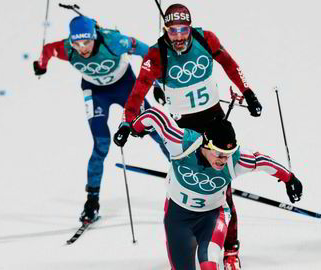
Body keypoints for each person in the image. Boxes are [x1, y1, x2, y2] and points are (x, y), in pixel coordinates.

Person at [116, 4, 263, 268]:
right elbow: (138, 91)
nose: (179, 36)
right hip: (185, 130)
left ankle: (230, 251)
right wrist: (128, 122)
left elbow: (230, 64)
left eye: (184, 30)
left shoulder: (206, 38)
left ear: (190, 27)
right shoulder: (157, 54)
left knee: (222, 188)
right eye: (173, 31)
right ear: (166, 30)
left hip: (215, 122)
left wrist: (248, 92)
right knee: (186, 177)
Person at [114, 107, 303, 270]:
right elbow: (155, 115)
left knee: (209, 263)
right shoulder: (181, 143)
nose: (223, 160)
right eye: (220, 154)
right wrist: (133, 127)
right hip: (177, 217)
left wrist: (290, 179)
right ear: (206, 144)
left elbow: (261, 161)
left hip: (212, 216)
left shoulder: (235, 161)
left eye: (228, 154)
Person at [32, 15, 170, 224]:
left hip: (125, 87)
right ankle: (92, 201)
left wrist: (158, 84)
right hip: (95, 92)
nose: (82, 48)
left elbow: (148, 53)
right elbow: (48, 50)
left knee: (152, 129)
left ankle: (183, 169)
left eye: (86, 42)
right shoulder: (67, 48)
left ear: (95, 36)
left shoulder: (114, 41)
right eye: (77, 43)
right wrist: (41, 65)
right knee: (101, 144)